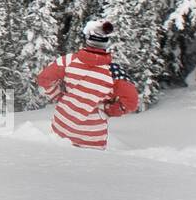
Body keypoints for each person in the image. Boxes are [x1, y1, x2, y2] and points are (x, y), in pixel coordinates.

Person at [36, 18, 139, 149]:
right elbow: (132, 102)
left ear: (87, 39)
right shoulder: (114, 72)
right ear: (106, 42)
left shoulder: (68, 61)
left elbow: (44, 78)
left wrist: (59, 97)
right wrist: (108, 110)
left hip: (61, 131)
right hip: (92, 139)